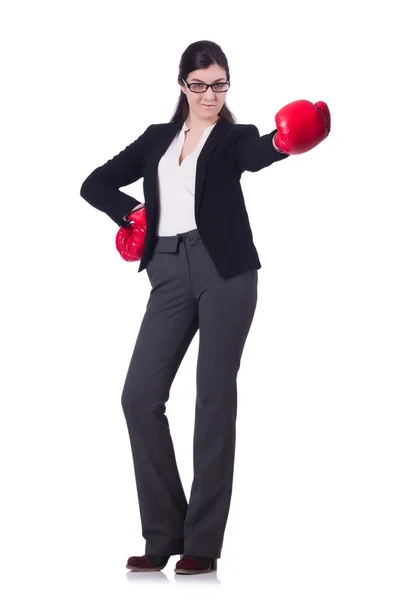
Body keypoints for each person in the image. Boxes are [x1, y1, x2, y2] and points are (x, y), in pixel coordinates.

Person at [80, 40, 305, 575]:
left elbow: (259, 153)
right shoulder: (157, 139)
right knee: (139, 398)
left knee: (212, 397)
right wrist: (132, 214)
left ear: (228, 85)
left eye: (220, 84)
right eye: (201, 84)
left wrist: (287, 140)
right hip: (168, 270)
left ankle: (202, 542)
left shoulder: (234, 137)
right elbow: (94, 184)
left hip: (225, 270)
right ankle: (163, 533)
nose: (211, 94)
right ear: (182, 85)